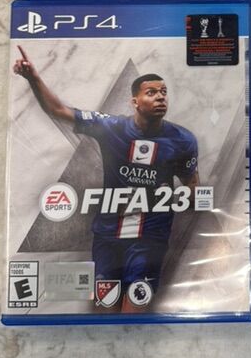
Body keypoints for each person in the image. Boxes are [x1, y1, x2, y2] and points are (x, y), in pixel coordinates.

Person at [13, 45, 199, 312]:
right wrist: (32, 77)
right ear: (134, 102)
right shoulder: (110, 126)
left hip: (149, 239)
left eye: (164, 92)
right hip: (108, 236)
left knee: (133, 310)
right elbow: (58, 109)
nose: (160, 97)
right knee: (104, 310)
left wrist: (182, 198)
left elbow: (192, 184)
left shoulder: (183, 140)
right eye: (151, 92)